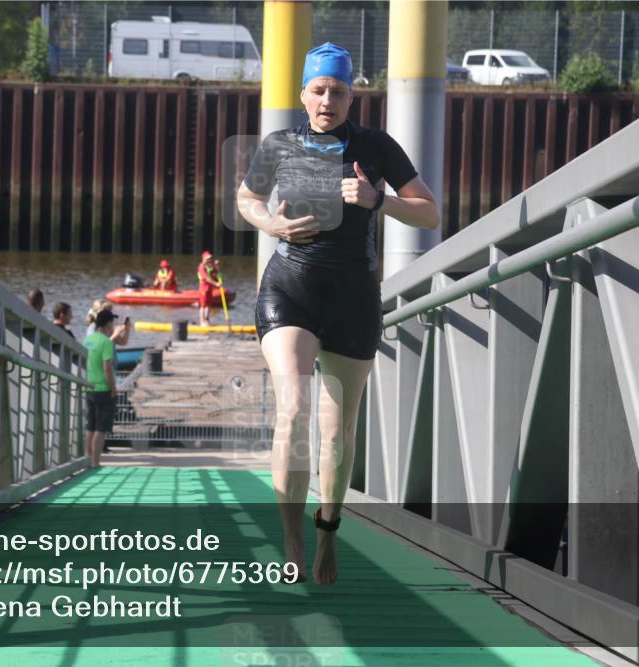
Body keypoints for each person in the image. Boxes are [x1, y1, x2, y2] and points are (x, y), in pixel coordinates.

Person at [236, 42, 440, 585]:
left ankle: (327, 530)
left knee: (337, 432)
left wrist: (379, 201)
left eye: (339, 91)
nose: (328, 100)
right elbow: (247, 198)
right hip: (290, 288)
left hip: (354, 299)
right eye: (319, 90)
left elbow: (430, 212)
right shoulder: (279, 144)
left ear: (352, 97)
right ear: (303, 94)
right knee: (292, 408)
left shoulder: (377, 147)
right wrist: (270, 224)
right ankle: (291, 542)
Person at [83, 308, 120, 468]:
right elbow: (107, 368)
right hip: (103, 389)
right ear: (108, 324)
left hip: (89, 387)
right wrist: (113, 388)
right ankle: (95, 462)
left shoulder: (87, 340)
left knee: (90, 427)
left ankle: (87, 460)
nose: (113, 326)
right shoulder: (106, 342)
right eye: (112, 322)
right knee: (101, 428)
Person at [196, 250, 222, 326]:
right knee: (203, 306)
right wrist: (216, 284)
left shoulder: (209, 266)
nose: (209, 260)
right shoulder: (201, 267)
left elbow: (215, 273)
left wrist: (217, 267)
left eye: (210, 258)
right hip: (203, 288)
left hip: (209, 288)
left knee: (208, 305)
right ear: (204, 259)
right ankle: (202, 321)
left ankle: (207, 320)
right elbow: (207, 278)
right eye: (207, 259)